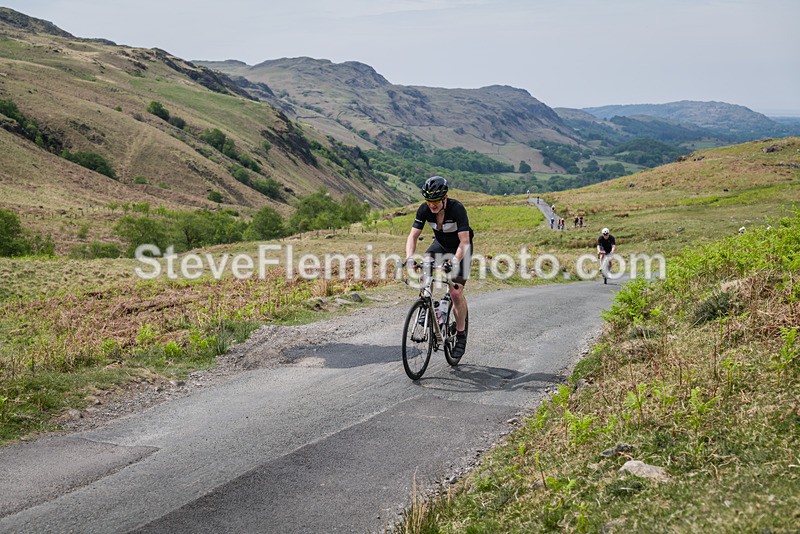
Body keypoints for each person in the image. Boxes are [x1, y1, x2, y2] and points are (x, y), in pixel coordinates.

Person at [405, 176, 473, 359]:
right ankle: (426, 303)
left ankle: (460, 335)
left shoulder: (457, 209)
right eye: (429, 201)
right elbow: (412, 237)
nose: (432, 205)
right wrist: (409, 257)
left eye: (435, 201)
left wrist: (454, 261)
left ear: (445, 198)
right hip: (440, 245)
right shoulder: (424, 210)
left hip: (461, 248)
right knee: (425, 265)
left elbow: (465, 241)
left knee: (456, 293)